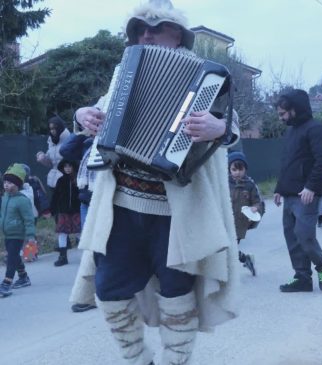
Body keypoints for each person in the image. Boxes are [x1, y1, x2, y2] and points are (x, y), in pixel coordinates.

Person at [72, 1, 240, 364]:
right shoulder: (125, 70)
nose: (145, 35)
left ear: (176, 34)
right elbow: (98, 113)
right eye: (139, 30)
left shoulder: (206, 76)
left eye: (155, 28)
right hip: (122, 205)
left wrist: (219, 127)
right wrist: (81, 114)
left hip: (175, 210)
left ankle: (174, 360)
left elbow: (231, 124)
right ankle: (138, 359)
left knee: (178, 290)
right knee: (108, 288)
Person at [274, 89, 322, 293]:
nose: (281, 118)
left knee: (304, 235)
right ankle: (302, 278)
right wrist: (279, 189)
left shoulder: (317, 129)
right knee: (292, 238)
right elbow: (287, 163)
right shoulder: (291, 131)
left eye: (283, 113)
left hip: (306, 195)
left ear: (295, 109)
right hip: (289, 194)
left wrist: (311, 187)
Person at [60, 132, 97, 312]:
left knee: (101, 247)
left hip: (107, 199)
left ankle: (91, 295)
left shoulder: (113, 136)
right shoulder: (87, 143)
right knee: (89, 246)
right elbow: (65, 150)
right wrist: (83, 130)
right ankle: (89, 296)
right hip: (86, 202)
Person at [0, 164, 35, 298]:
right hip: (7, 233)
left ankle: (7, 283)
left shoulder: (22, 200)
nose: (6, 185)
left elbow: (29, 219)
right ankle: (23, 277)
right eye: (5, 182)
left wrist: (31, 235)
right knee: (13, 255)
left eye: (9, 183)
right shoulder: (5, 198)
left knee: (11, 257)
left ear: (17, 184)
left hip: (18, 234)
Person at [228, 151, 264, 276]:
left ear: (245, 169)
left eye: (240, 169)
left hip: (239, 223)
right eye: (234, 169)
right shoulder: (224, 184)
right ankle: (245, 259)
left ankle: (229, 272)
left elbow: (258, 202)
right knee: (224, 248)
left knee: (230, 249)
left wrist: (255, 208)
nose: (237, 172)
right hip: (224, 221)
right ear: (229, 169)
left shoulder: (250, 185)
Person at [50, 160, 81, 267]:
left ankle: (87, 257)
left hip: (76, 211)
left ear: (73, 167)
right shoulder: (60, 180)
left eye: (70, 166)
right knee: (62, 233)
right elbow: (55, 196)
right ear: (62, 168)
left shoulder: (78, 179)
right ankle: (63, 257)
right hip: (63, 211)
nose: (67, 168)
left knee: (79, 233)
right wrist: (53, 210)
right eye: (65, 166)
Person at [36, 116, 71, 190]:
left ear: (60, 128)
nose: (52, 131)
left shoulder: (69, 140)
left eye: (54, 128)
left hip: (66, 180)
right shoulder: (51, 142)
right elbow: (50, 163)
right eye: (51, 129)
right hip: (53, 181)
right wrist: (42, 157)